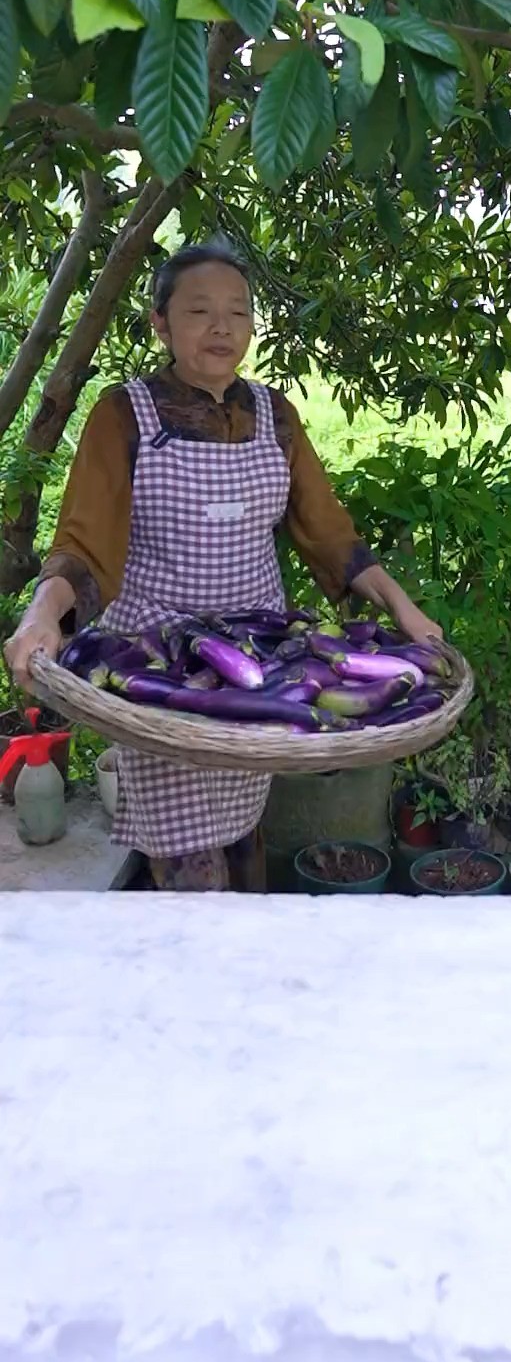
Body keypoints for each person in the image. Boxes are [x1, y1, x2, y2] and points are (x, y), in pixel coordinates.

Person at [3, 239, 441, 891]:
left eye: (237, 313)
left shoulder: (276, 417)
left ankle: (241, 965)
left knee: (240, 828)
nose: (221, 328)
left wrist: (404, 608)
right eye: (200, 311)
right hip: (157, 669)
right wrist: (43, 614)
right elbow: (83, 542)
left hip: (253, 665)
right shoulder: (123, 414)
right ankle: (194, 967)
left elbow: (330, 536)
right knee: (188, 864)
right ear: (161, 323)